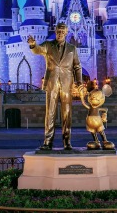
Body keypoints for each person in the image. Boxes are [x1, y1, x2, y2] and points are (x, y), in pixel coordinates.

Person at [28, 22, 82, 150]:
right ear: (55, 31)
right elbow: (38, 50)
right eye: (58, 31)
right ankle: (48, 141)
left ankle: (67, 141)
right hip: (52, 83)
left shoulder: (72, 49)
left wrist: (79, 82)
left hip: (67, 84)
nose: (60, 34)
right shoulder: (48, 45)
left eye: (62, 32)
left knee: (67, 113)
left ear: (66, 33)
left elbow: (77, 66)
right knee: (50, 112)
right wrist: (33, 44)